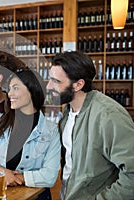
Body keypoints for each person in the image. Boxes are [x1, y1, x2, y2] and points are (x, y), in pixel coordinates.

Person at [46, 51, 134, 200]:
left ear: (78, 84)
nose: (48, 86)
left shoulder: (109, 115)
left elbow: (131, 173)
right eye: (50, 80)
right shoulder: (68, 111)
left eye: (56, 81)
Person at [0, 69, 61, 200]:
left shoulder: (51, 131)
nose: (9, 94)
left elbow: (50, 176)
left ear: (32, 91)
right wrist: (1, 172)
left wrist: (17, 178)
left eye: (16, 88)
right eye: (9, 89)